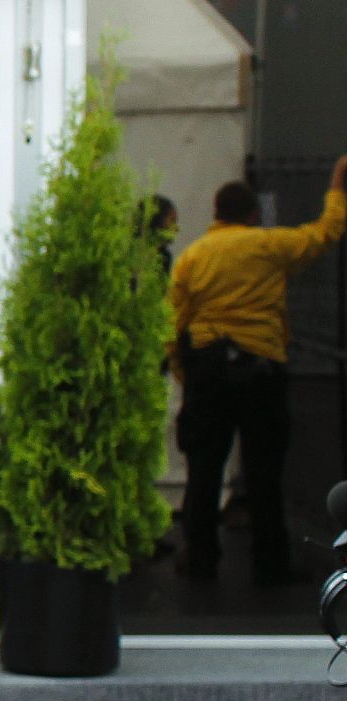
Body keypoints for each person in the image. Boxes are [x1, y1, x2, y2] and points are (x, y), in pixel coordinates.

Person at [169, 157, 347, 586]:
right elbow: (325, 233)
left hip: (208, 372)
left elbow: (175, 323)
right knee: (265, 473)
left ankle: (200, 562)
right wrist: (338, 184)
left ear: (215, 213)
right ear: (252, 215)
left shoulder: (192, 257)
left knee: (204, 472)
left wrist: (184, 375)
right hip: (260, 371)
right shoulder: (268, 246)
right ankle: (270, 565)